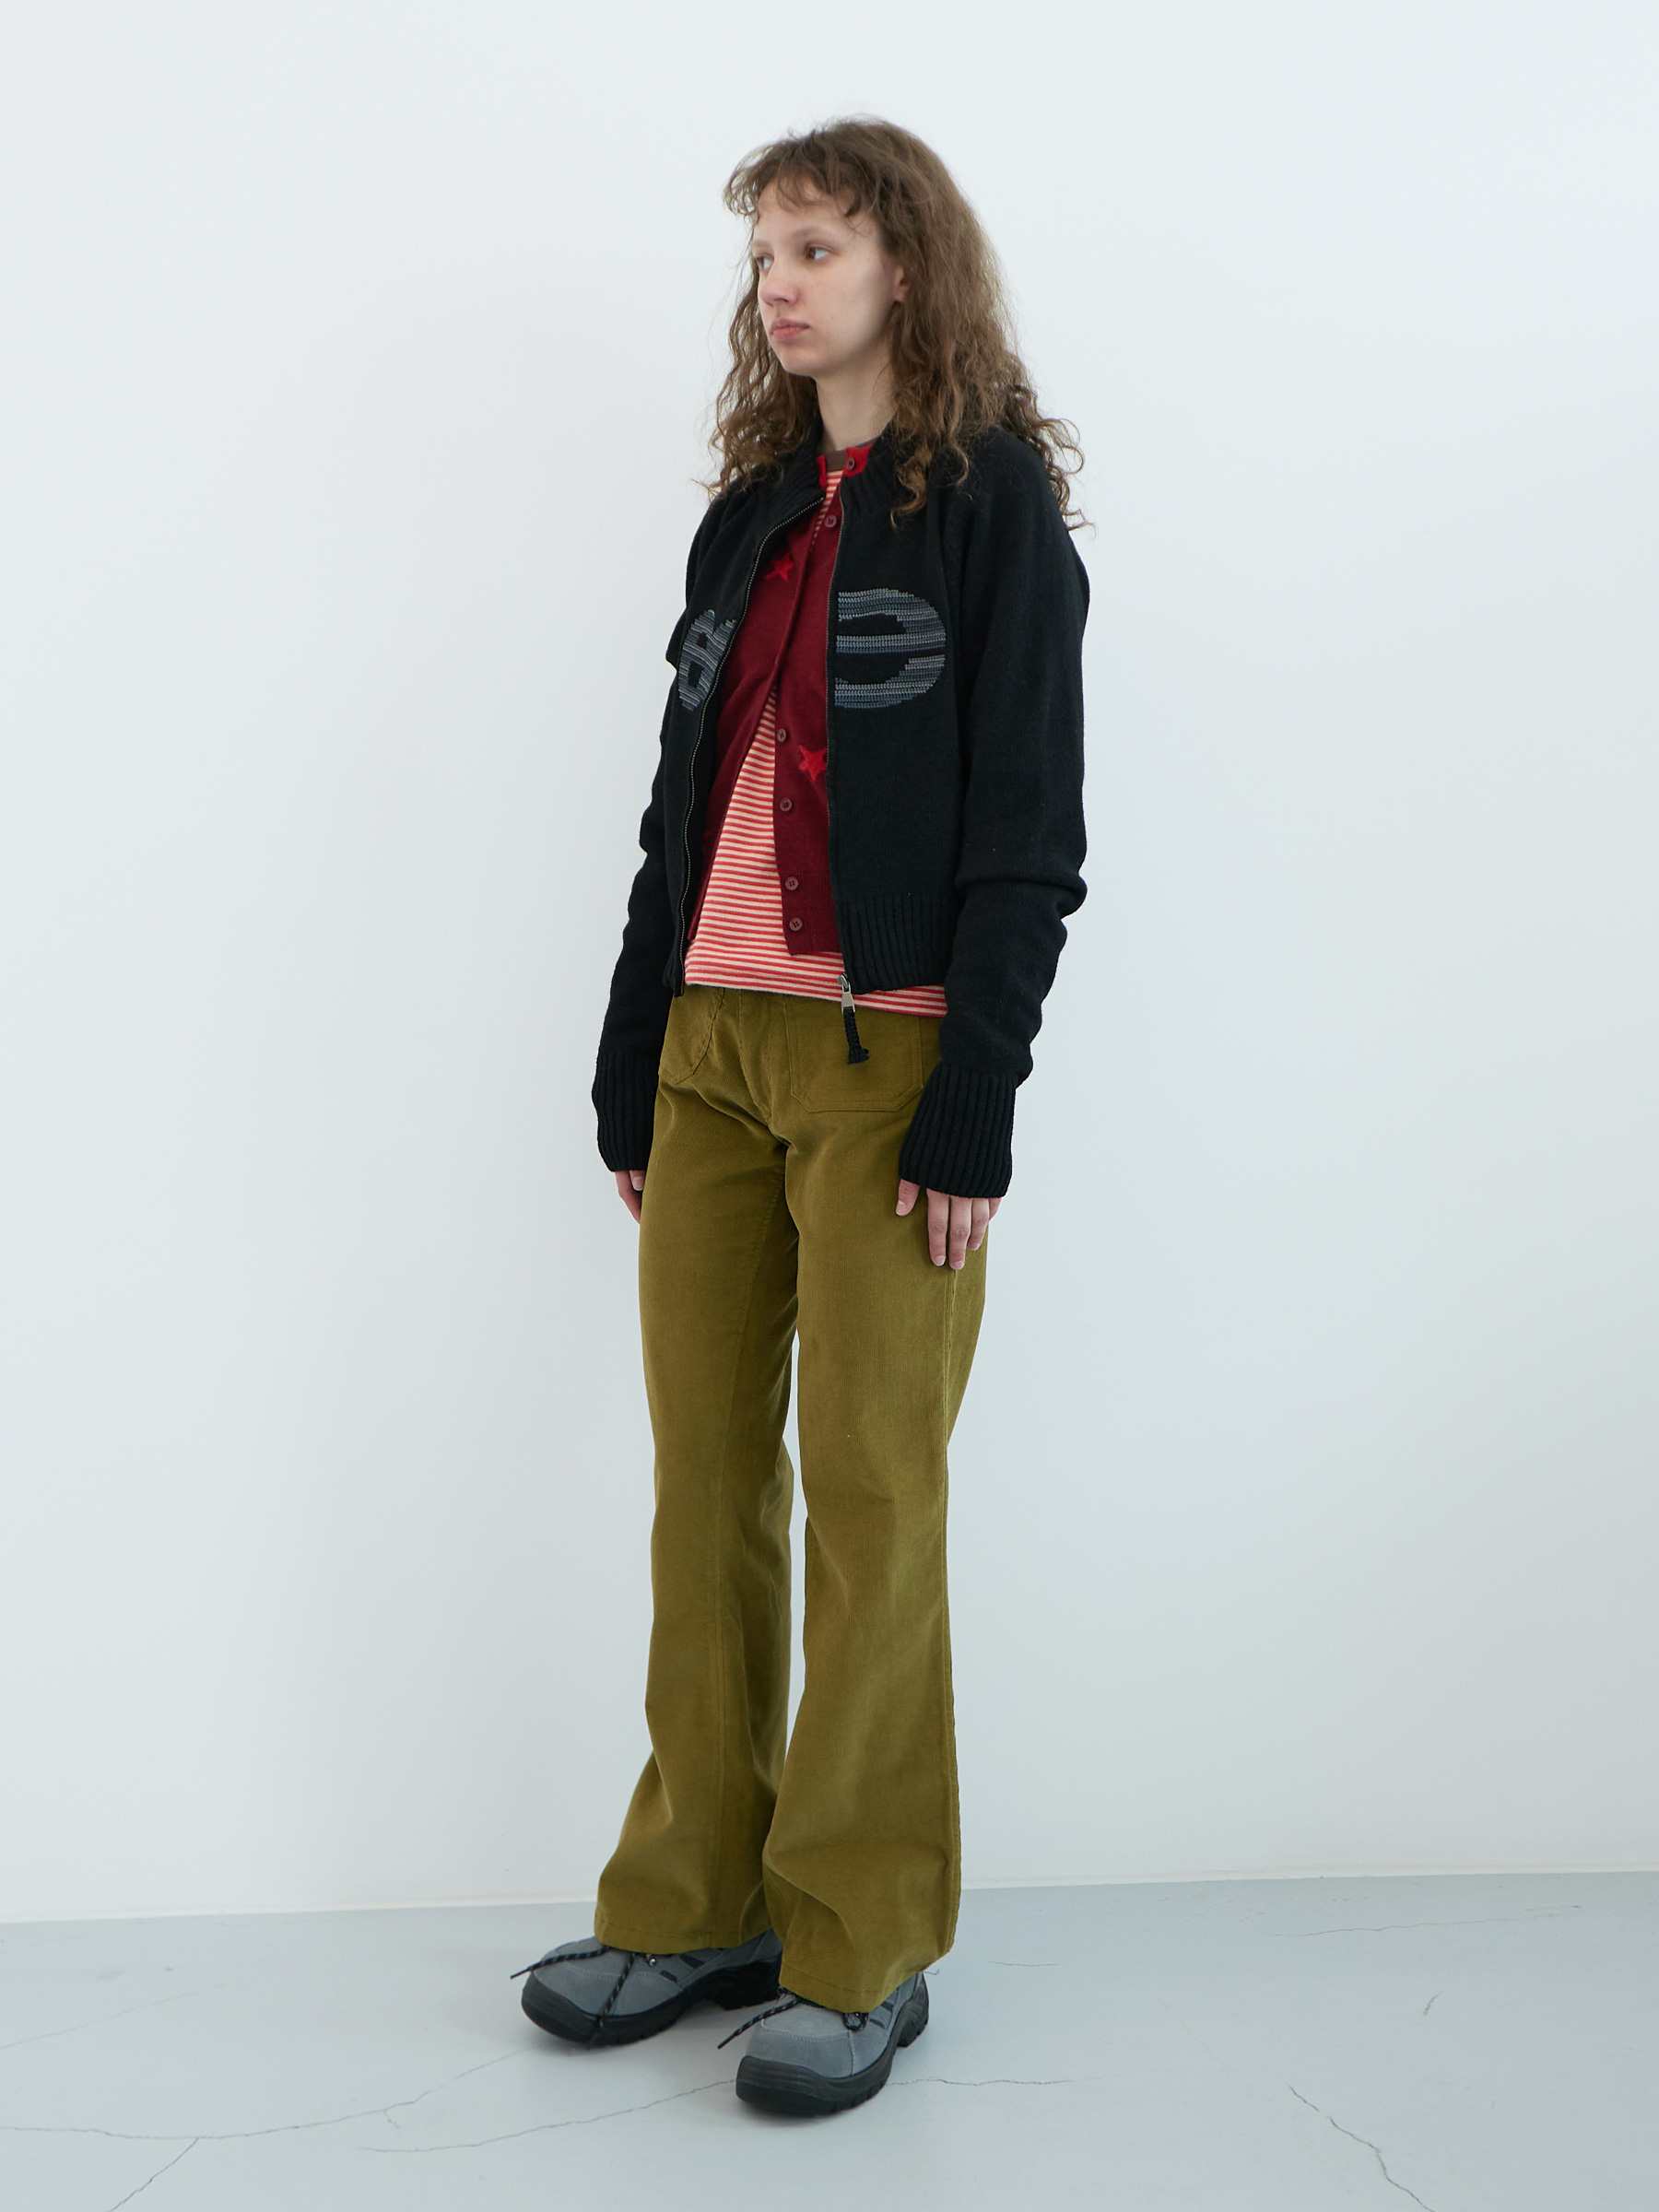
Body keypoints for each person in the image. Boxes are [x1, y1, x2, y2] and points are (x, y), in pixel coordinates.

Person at [512, 115, 1089, 2118]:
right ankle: (695, 1901)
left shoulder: (992, 505)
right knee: (702, 1485)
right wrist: (630, 1063)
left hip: (886, 1063)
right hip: (709, 1053)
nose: (781, 281)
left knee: (869, 1493)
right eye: (766, 251)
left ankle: (862, 1940)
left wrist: (976, 1103)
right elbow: (671, 819)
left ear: (905, 266)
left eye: (819, 245)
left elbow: (1031, 831)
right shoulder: (750, 518)